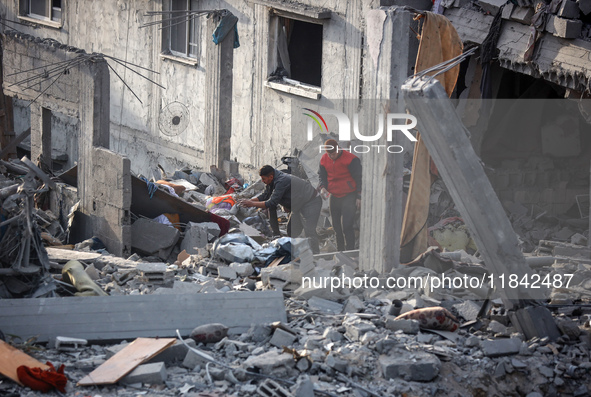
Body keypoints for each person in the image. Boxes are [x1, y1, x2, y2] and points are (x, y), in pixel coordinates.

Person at [239, 165, 322, 254]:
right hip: (298, 205)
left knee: (309, 230)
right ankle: (298, 250)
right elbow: (265, 195)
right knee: (291, 231)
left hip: (311, 201)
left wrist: (251, 204)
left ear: (270, 176)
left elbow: (271, 202)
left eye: (264, 179)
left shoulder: (281, 180)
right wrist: (249, 201)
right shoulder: (271, 181)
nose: (262, 181)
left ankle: (315, 254)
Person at [318, 139, 362, 251]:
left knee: (347, 226)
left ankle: (350, 251)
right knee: (336, 228)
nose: (332, 156)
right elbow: (321, 176)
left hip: (349, 195)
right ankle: (340, 251)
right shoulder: (324, 159)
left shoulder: (351, 159)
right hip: (334, 195)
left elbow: (359, 178)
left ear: (338, 149)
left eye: (334, 153)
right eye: (329, 154)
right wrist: (323, 187)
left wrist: (359, 196)